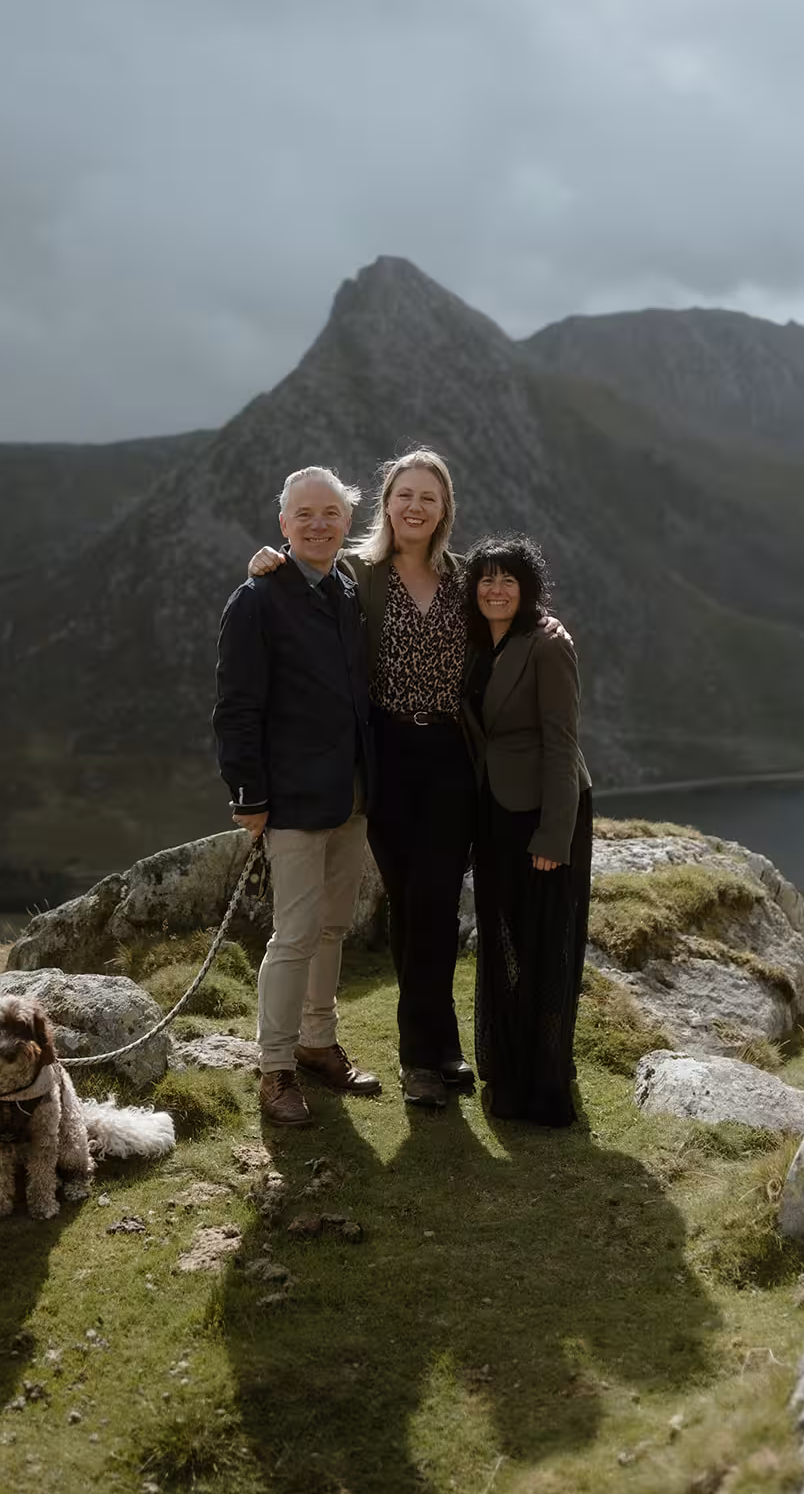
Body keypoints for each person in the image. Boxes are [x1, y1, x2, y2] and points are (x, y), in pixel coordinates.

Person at [248, 450, 475, 1109]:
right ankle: (415, 1059)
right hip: (386, 760)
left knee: (430, 903)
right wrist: (267, 560)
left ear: (443, 509)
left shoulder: (463, 578)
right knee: (408, 904)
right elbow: (298, 577)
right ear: (386, 504)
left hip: (449, 760)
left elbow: (504, 619)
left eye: (428, 497)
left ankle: (440, 1045)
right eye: (404, 494)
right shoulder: (357, 573)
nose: (415, 507)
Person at [213, 466, 382, 1127]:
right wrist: (249, 796)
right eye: (304, 515)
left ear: (346, 522)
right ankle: (276, 1068)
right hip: (289, 801)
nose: (318, 524)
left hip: (351, 795)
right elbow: (236, 708)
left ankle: (318, 1044)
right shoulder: (256, 599)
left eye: (330, 513)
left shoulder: (345, 588)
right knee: (297, 934)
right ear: (283, 525)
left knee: (334, 929)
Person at [460, 534, 593, 1127]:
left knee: (545, 945)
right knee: (501, 936)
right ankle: (506, 1067)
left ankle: (543, 1083)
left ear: (527, 588)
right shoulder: (470, 642)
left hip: (544, 813)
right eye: (486, 578)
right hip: (492, 810)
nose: (495, 589)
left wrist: (553, 836)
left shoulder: (546, 645)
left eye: (508, 579)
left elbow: (563, 746)